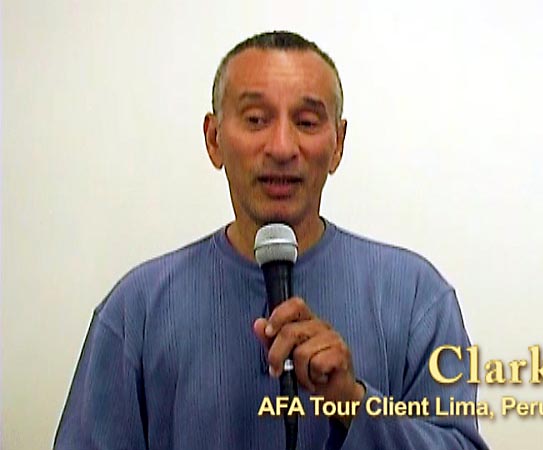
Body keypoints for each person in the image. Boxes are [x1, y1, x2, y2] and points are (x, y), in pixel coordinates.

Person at [54, 31, 489, 449]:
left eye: (306, 122)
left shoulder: (415, 296)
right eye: (256, 120)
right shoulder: (138, 308)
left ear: (337, 144)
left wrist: (353, 402)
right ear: (214, 139)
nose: (282, 147)